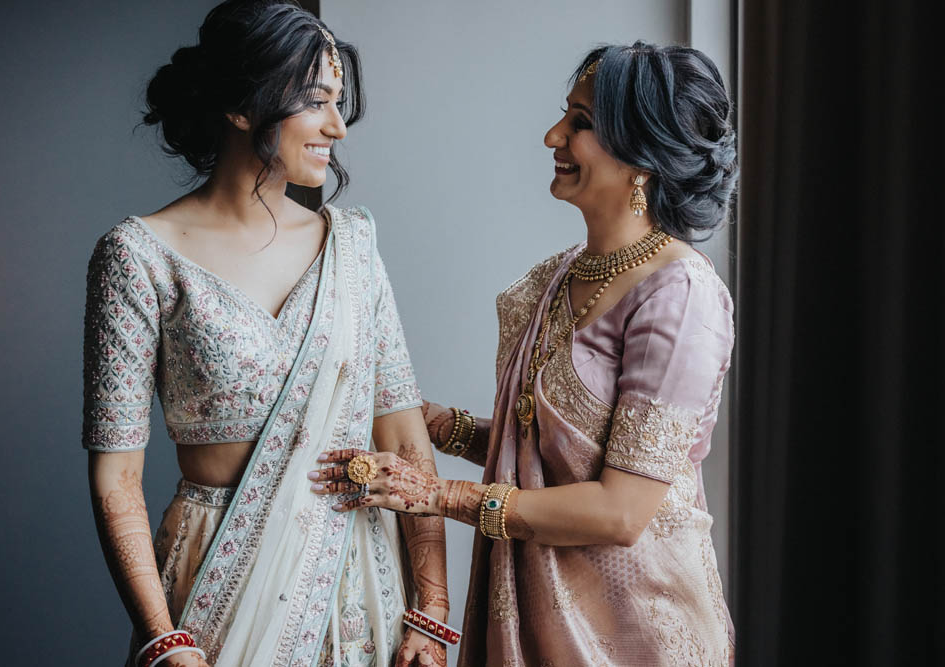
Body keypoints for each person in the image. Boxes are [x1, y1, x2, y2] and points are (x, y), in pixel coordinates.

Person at [312, 42, 737, 665]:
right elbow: (555, 457)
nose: (552, 136)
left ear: (643, 155)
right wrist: (441, 427)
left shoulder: (681, 295)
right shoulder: (559, 277)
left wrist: (435, 495)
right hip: (535, 608)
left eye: (581, 123)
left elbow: (621, 509)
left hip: (630, 632)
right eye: (565, 115)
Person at [82, 3, 448, 665]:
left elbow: (403, 439)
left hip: (358, 580)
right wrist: (164, 637)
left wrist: (432, 609)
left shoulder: (352, 248)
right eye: (316, 102)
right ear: (242, 108)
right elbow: (117, 475)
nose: (337, 126)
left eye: (339, 103)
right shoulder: (138, 257)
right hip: (214, 578)